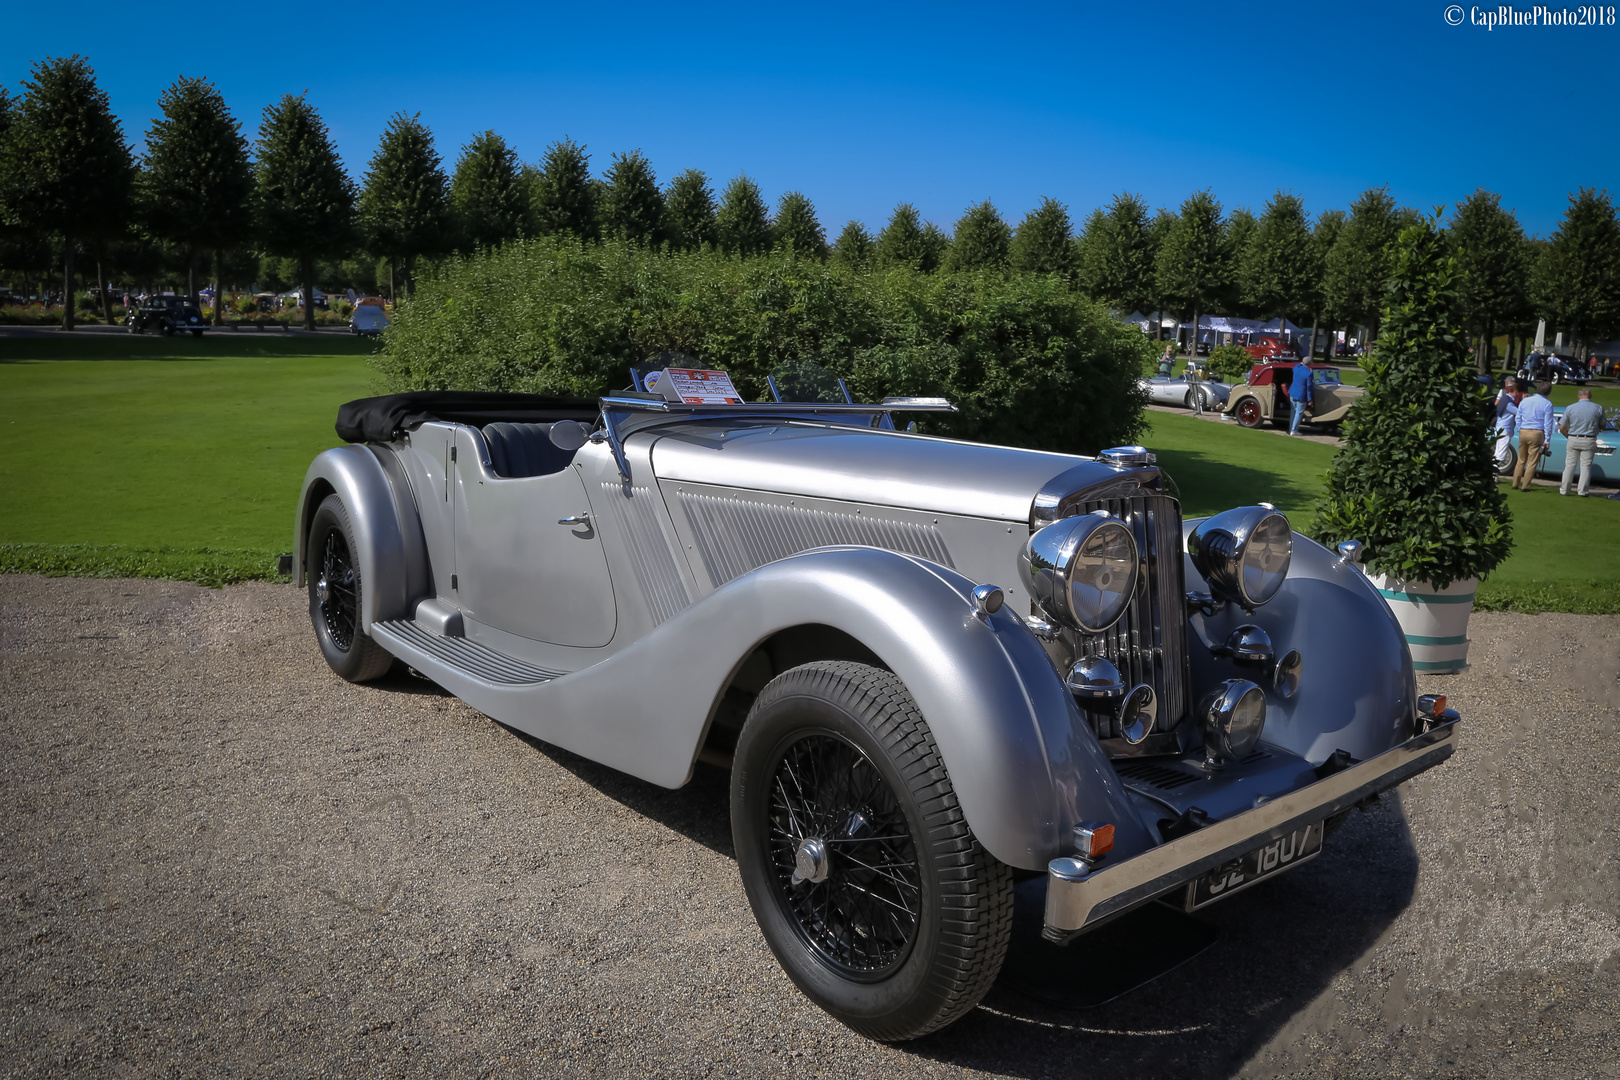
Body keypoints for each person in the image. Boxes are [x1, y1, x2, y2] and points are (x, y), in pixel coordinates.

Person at [1558, 387, 1606, 497]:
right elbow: (1603, 426)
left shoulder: (1570, 408)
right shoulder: (1598, 408)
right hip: (1589, 438)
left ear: (1578, 396)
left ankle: (1564, 490)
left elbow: (1562, 427)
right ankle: (1582, 491)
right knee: (1586, 466)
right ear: (1590, 396)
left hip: (1573, 438)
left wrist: (1568, 436)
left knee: (1570, 465)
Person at [1512, 381, 1556, 491]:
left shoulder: (1525, 400)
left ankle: (1515, 484)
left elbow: (1518, 417)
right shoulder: (1547, 404)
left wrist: (1519, 428)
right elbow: (1548, 423)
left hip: (1524, 430)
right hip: (1537, 432)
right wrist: (1547, 439)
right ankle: (1525, 486)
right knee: (1532, 461)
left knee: (1521, 459)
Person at [1493, 377, 1520, 473]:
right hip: (1505, 430)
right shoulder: (1509, 403)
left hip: (1500, 428)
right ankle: (1492, 474)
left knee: (1498, 452)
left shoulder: (1504, 399)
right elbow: (1519, 413)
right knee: (1501, 454)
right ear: (1516, 392)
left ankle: (1493, 475)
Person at [1287, 362, 1313, 436]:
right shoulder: (1309, 373)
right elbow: (1309, 388)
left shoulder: (1296, 368)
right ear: (1309, 364)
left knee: (1293, 412)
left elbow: (1297, 365)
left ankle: (1291, 428)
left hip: (1293, 393)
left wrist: (1302, 363)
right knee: (1298, 413)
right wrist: (1310, 399)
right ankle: (1294, 430)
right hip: (1301, 395)